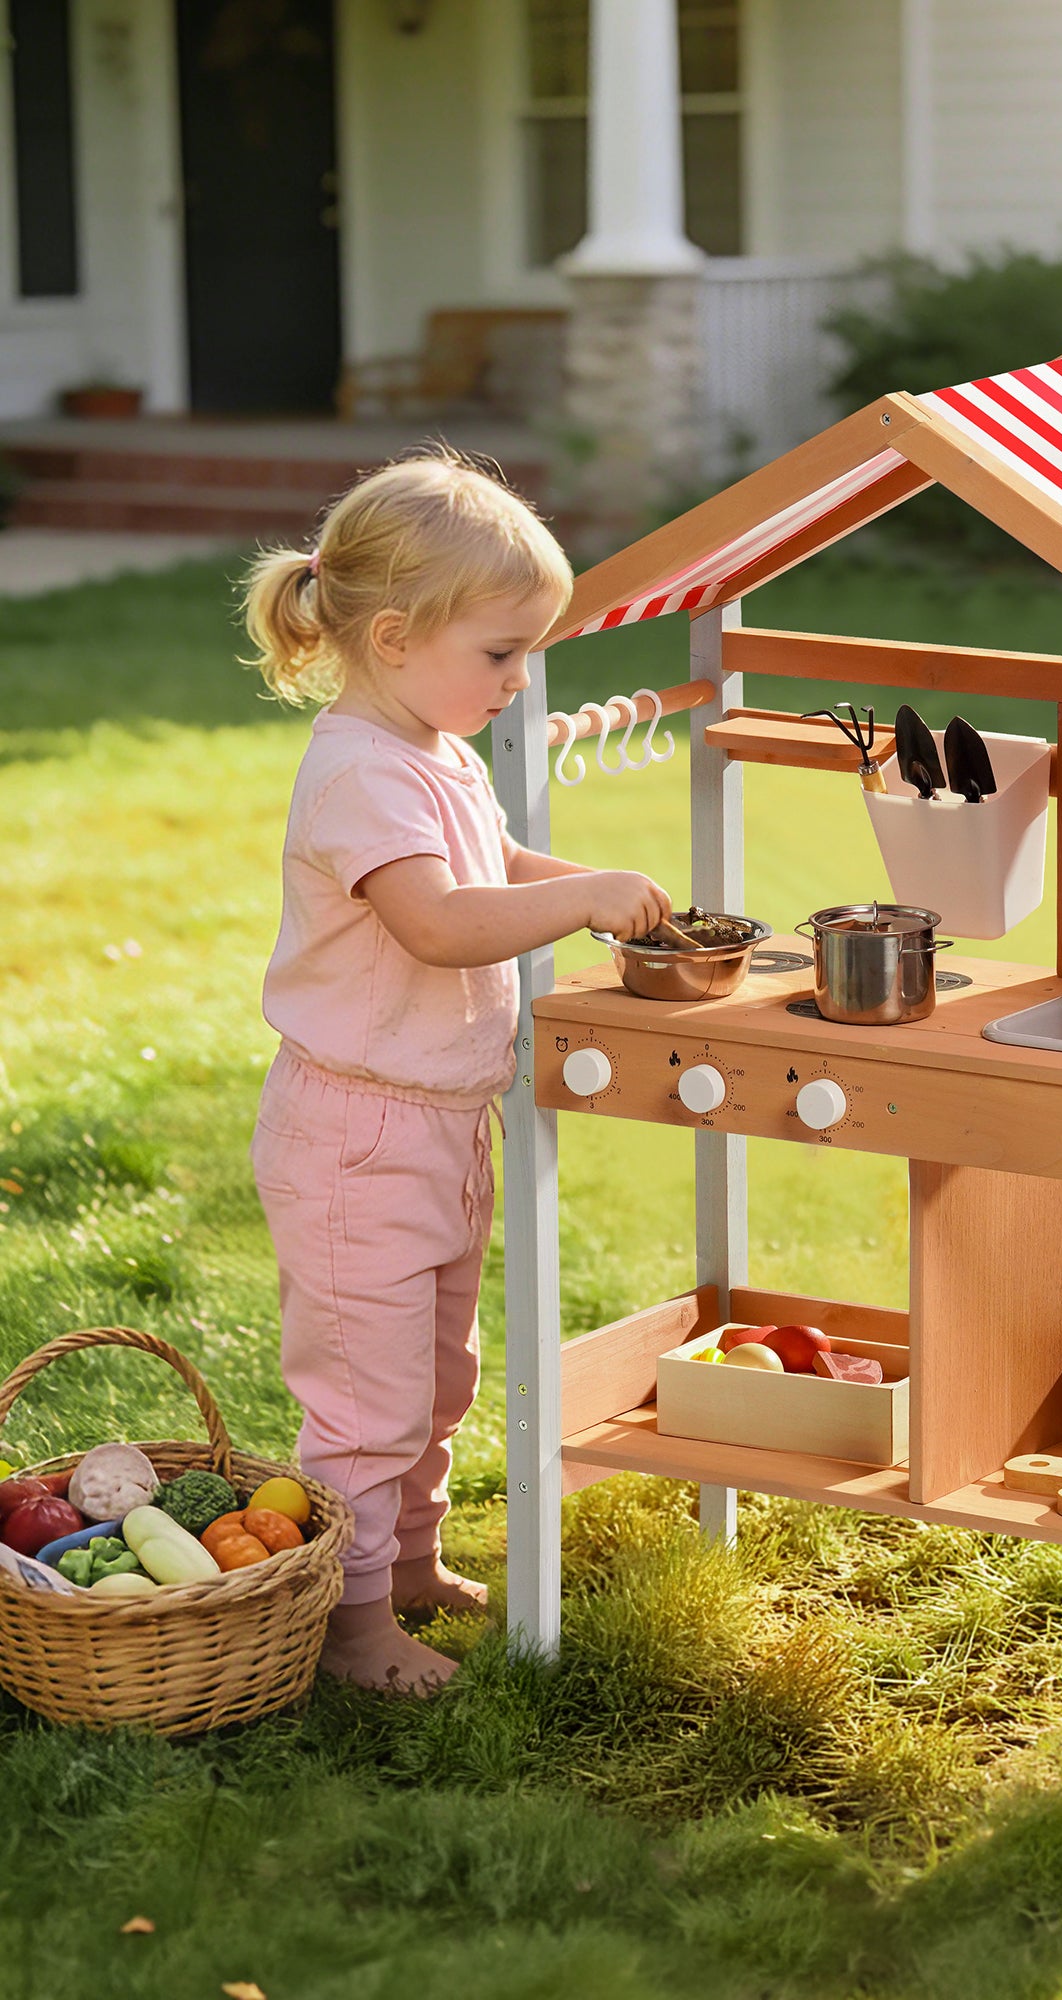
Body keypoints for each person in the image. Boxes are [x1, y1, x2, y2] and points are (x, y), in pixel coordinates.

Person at [240, 448, 671, 1692]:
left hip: (436, 1122)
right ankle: (349, 1622)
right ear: (389, 635)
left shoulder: (431, 747)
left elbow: (481, 857)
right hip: (354, 1138)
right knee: (367, 1394)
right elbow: (433, 918)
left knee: (435, 1373)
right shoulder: (356, 772)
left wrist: (577, 884)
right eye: (500, 652)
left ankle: (408, 1560)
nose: (518, 677)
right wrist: (580, 898)